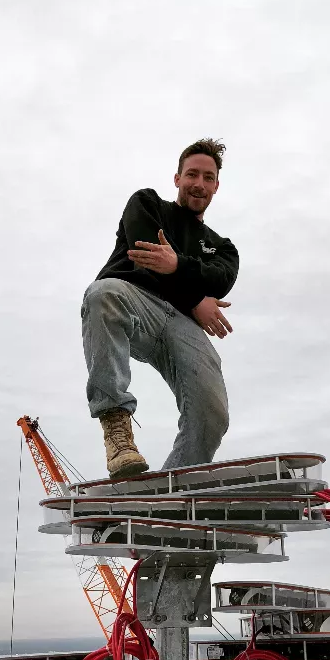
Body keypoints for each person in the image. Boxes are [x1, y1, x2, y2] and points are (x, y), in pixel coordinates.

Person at [81, 138, 239, 479]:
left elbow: (222, 280)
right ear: (177, 178)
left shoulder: (222, 247)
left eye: (207, 177)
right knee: (102, 294)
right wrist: (196, 298)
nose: (199, 183)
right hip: (135, 302)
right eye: (192, 174)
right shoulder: (147, 203)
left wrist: (176, 265)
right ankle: (117, 430)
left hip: (182, 325)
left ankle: (171, 489)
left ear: (216, 185)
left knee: (212, 415)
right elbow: (146, 252)